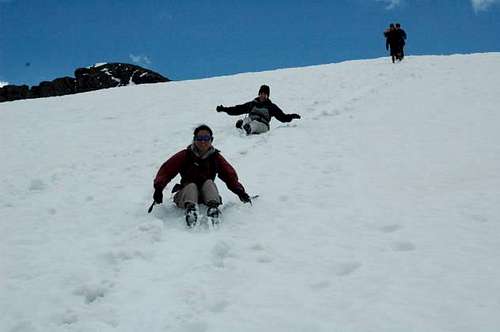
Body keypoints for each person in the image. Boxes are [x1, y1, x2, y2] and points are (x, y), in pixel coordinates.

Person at [152, 124, 251, 227]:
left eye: (206, 138)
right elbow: (167, 170)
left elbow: (229, 175)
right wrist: (159, 189)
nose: (203, 141)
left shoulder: (215, 157)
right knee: (191, 186)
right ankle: (191, 210)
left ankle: (213, 207)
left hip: (206, 196)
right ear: (195, 139)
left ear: (211, 140)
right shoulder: (185, 155)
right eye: (199, 138)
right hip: (186, 196)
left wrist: (240, 191)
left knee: (209, 182)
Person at [216, 84, 301, 135]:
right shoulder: (253, 104)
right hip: (251, 120)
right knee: (247, 119)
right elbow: (238, 109)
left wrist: (291, 116)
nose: (263, 96)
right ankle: (243, 125)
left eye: (265, 94)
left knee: (255, 124)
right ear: (259, 94)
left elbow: (282, 117)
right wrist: (224, 109)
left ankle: (248, 128)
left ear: (267, 96)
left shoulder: (271, 106)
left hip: (263, 125)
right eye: (261, 94)